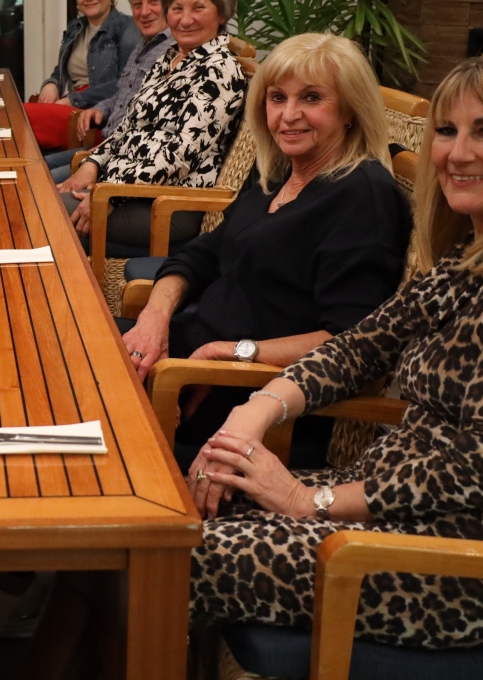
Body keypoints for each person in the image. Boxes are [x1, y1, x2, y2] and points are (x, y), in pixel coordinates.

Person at [0, 50, 483, 680]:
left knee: (147, 560)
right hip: (393, 514)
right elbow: (359, 345)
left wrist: (310, 500)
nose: (458, 153)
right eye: (448, 132)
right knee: (130, 537)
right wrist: (254, 412)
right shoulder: (476, 255)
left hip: (467, 564)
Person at [122, 33, 411, 471]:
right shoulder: (279, 172)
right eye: (277, 98)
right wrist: (154, 318)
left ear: (350, 109)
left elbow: (352, 342)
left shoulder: (363, 196)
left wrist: (231, 352)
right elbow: (203, 254)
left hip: (251, 401)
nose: (289, 115)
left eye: (311, 98)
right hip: (188, 356)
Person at [55, 0, 248, 253]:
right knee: (44, 199)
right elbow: (128, 126)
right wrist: (93, 164)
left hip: (168, 203)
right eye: (177, 8)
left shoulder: (219, 71)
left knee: (47, 211)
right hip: (125, 187)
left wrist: (110, 193)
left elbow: (179, 157)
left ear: (221, 13)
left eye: (198, 8)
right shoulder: (169, 57)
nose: (185, 19)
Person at [46, 0, 174, 184]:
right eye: (137, 4)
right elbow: (125, 92)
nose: (144, 12)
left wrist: (97, 160)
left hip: (121, 160)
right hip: (107, 147)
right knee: (36, 168)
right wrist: (101, 108)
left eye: (154, 1)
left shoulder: (173, 51)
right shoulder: (144, 43)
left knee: (38, 182)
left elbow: (146, 129)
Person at [35, 0, 138, 109]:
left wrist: (74, 100)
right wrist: (52, 83)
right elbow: (61, 70)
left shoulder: (128, 27)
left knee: (22, 116)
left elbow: (126, 84)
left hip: (102, 113)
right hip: (73, 107)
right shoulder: (75, 28)